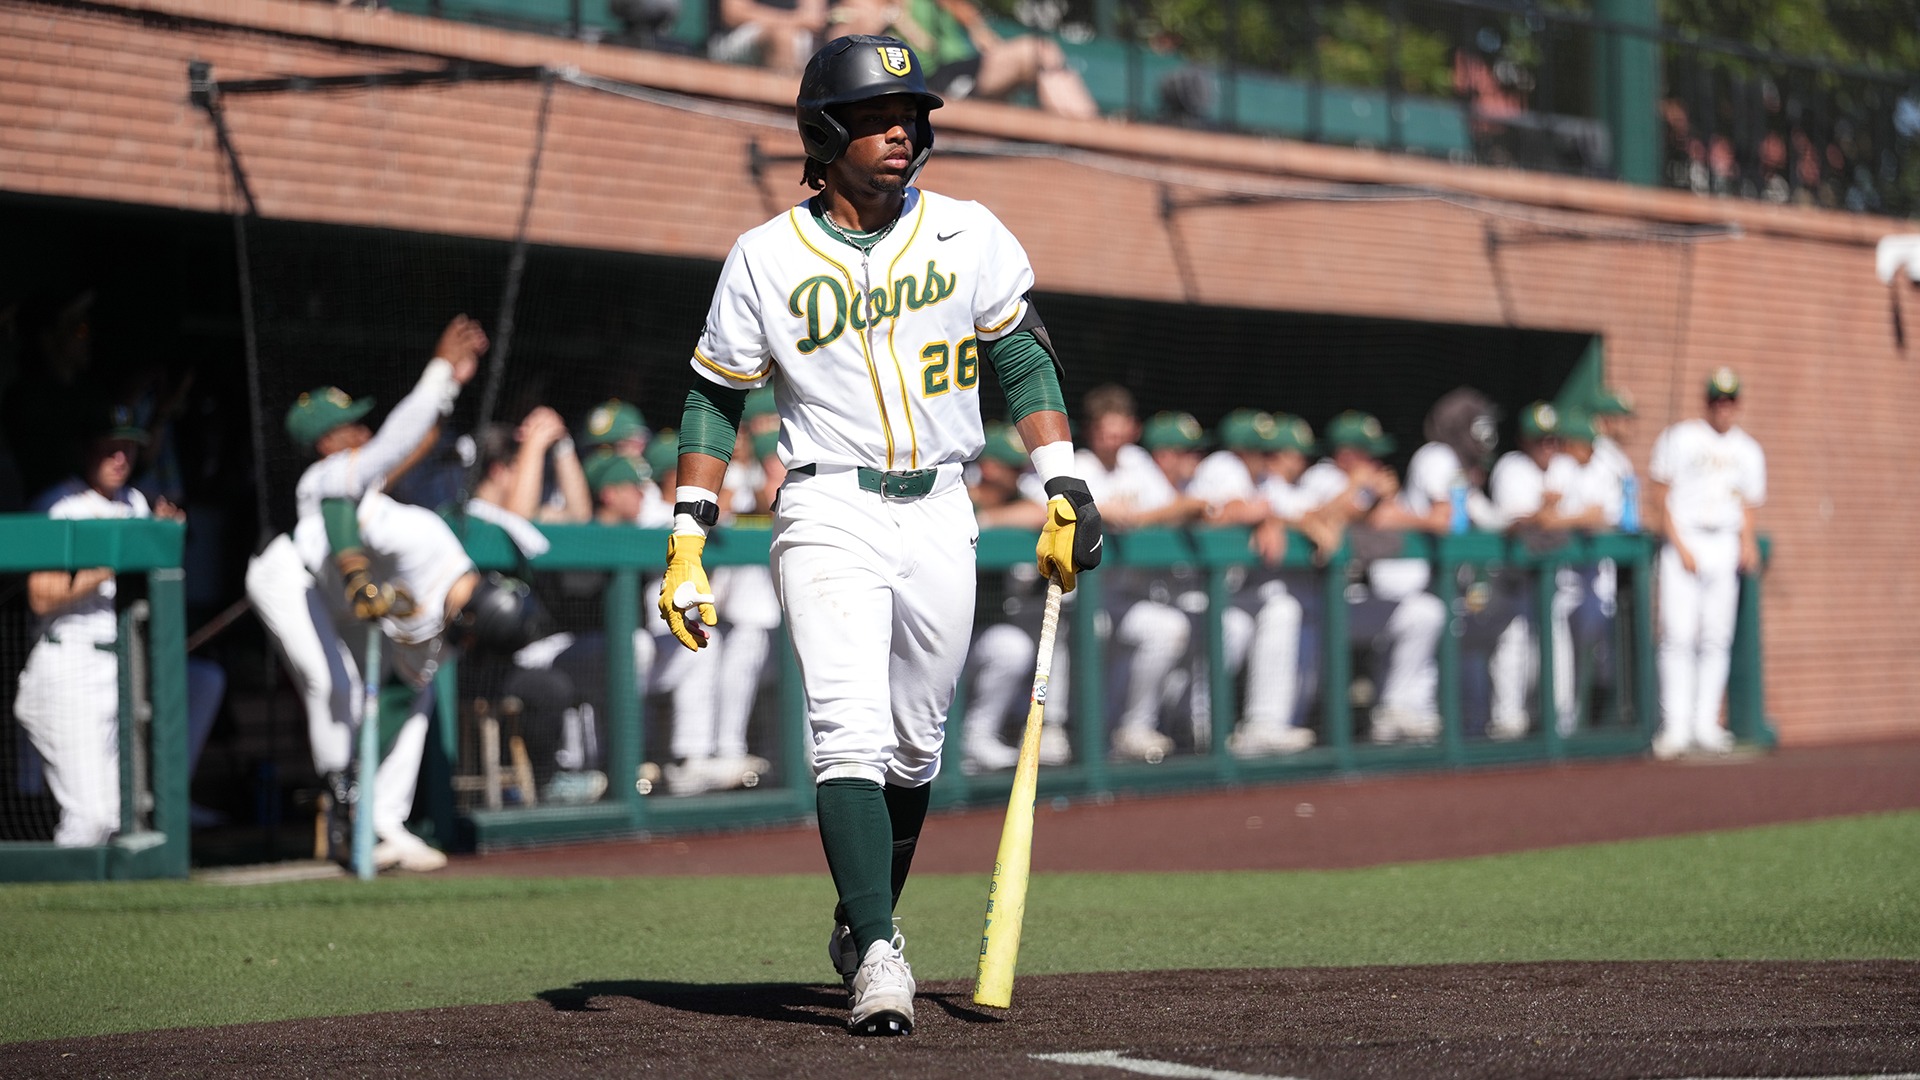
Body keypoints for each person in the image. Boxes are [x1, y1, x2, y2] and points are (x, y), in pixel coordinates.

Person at [657, 34, 1101, 1036]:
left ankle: (860, 914)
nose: (901, 131)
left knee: (913, 748)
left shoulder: (969, 232)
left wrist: (1063, 480)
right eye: (875, 117)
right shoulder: (766, 256)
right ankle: (879, 950)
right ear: (824, 134)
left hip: (944, 505)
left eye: (910, 116)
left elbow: (1024, 357)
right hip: (828, 506)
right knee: (848, 732)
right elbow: (714, 395)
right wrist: (688, 532)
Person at [245, 315, 485, 871]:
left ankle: (383, 821)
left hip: (342, 595)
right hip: (290, 580)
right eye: (351, 425)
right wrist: (437, 369)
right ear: (327, 441)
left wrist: (450, 386)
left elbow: (415, 442)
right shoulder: (325, 477)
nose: (363, 430)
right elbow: (397, 442)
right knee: (335, 685)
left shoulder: (359, 478)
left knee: (413, 686)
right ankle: (343, 802)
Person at [13, 408, 190, 846]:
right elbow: (41, 595)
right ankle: (55, 890)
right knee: (90, 818)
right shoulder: (61, 504)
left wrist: (161, 535)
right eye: (110, 448)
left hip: (122, 664)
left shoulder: (136, 502)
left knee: (117, 816)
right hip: (67, 663)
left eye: (128, 447)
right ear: (87, 451)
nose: (120, 458)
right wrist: (117, 558)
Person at [1067, 386, 1196, 763]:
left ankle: (1134, 728)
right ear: (1092, 430)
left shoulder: (1136, 461)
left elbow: (1176, 507)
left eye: (1119, 431)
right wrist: (1100, 511)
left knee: (1167, 628)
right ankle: (1057, 729)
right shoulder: (1076, 463)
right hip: (1075, 599)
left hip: (1122, 598)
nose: (1114, 440)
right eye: (1106, 432)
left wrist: (1138, 517)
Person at [1302, 411, 1448, 744]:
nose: (1376, 463)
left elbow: (1386, 517)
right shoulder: (1321, 476)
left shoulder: (1363, 486)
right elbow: (1351, 513)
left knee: (1423, 613)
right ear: (1346, 454)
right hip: (1307, 603)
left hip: (1346, 601)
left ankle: (1396, 710)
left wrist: (1381, 498)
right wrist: (1368, 492)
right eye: (1368, 454)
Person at [1647, 367, 1765, 759]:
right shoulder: (1680, 437)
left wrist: (1746, 541)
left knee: (1716, 636)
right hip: (1685, 536)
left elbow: (1748, 503)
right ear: (1707, 402)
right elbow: (1659, 493)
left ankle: (1706, 723)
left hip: (1723, 540)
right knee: (1677, 634)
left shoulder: (1748, 449)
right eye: (1717, 399)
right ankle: (1675, 725)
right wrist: (1678, 543)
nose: (1723, 407)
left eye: (1730, 400)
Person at [960, 421, 1066, 773]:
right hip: (933, 627)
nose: (1019, 474)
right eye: (1011, 467)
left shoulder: (1012, 501)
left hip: (979, 630)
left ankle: (977, 737)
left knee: (1012, 646)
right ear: (990, 467)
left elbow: (1043, 512)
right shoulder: (959, 494)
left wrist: (989, 520)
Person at [827, 0, 1098, 120]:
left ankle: (1088, 131)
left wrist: (978, 29)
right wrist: (893, 16)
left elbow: (982, 34)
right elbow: (842, 40)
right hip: (926, 81)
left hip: (962, 69)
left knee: (1041, 51)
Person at [709, 0, 828, 74]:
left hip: (799, 35)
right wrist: (793, 20)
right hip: (734, 37)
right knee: (782, 37)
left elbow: (814, 19)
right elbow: (734, 14)